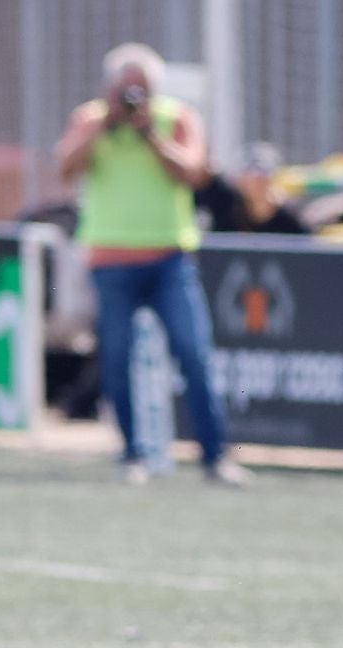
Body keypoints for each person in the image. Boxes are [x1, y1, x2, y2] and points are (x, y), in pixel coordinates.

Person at [56, 43, 247, 487]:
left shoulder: (176, 118)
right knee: (116, 358)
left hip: (169, 259)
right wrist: (105, 124)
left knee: (194, 355)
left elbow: (195, 173)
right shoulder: (90, 119)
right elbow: (65, 169)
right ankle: (132, 454)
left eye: (140, 90)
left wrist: (149, 134)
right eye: (125, 90)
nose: (132, 99)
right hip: (110, 261)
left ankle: (215, 456)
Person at [198, 142, 311, 236]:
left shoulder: (289, 218)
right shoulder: (225, 203)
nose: (255, 183)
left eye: (262, 178)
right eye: (249, 177)